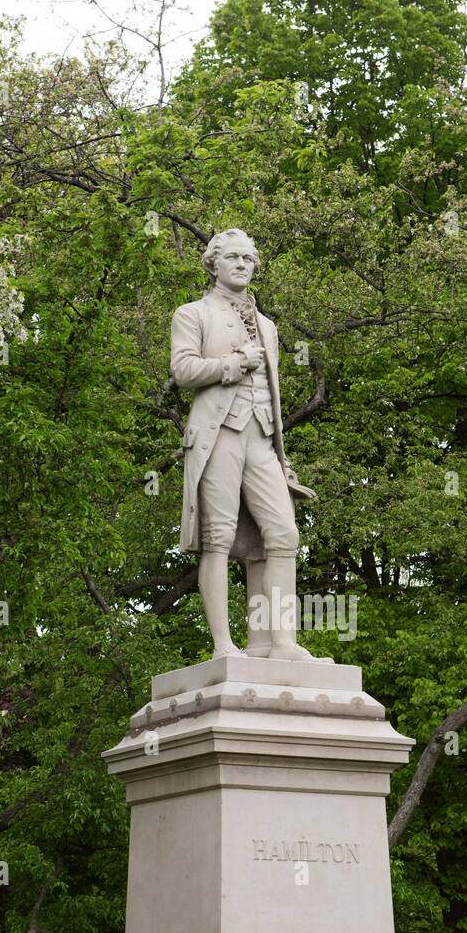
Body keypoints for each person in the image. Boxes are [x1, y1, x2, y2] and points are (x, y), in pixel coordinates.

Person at [170, 228, 322, 661]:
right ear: (213, 264)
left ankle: (278, 643)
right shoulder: (192, 313)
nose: (241, 264)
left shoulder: (269, 327)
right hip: (217, 435)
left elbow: (271, 396)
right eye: (232, 257)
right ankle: (223, 647)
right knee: (217, 537)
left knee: (283, 533)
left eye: (248, 259)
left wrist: (281, 452)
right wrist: (232, 365)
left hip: (262, 440)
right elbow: (182, 370)